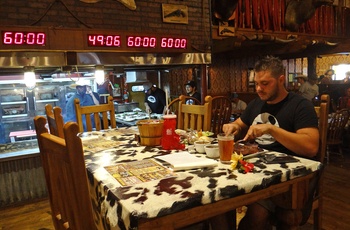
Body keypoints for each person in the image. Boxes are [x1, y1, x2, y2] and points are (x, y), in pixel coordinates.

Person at [221, 56, 319, 230]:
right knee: (220, 201)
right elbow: (239, 124)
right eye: (256, 83)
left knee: (257, 214)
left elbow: (311, 147)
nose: (259, 89)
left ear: (281, 80)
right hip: (257, 172)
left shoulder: (301, 105)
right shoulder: (256, 104)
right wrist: (232, 126)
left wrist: (271, 129)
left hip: (289, 179)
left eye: (265, 84)